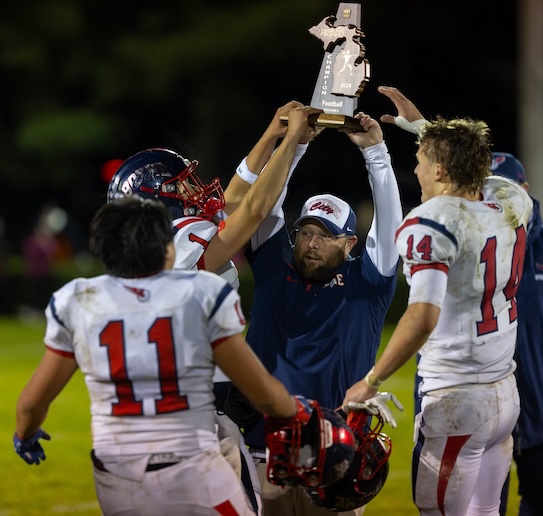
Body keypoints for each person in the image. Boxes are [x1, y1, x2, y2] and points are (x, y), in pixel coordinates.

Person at [13, 197, 314, 516]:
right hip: (192, 468)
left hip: (118, 477)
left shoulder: (78, 300)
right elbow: (264, 395)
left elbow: (32, 404)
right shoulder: (201, 293)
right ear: (166, 249)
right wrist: (302, 414)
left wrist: (26, 434)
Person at [106, 101, 323, 513]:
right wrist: (292, 141)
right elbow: (253, 210)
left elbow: (234, 198)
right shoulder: (180, 242)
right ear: (154, 202)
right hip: (191, 417)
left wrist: (271, 137)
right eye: (180, 186)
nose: (195, 189)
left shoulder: (146, 250)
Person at [343, 103, 534, 514]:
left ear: (441, 171)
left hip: (456, 398)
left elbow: (422, 317)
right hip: (505, 393)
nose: (416, 170)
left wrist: (372, 380)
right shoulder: (510, 205)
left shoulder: (433, 219)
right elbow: (487, 178)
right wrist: (433, 134)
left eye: (421, 161)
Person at [231, 110, 403, 516]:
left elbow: (391, 222)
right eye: (306, 232)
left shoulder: (369, 282)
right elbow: (262, 203)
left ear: (349, 244)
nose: (311, 243)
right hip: (262, 451)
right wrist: (297, 143)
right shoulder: (275, 265)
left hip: (334, 457)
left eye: (325, 236)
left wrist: (376, 153)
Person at [490, 152, 543, 516]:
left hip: (539, 414)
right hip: (488, 412)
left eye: (506, 192)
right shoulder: (475, 244)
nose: (498, 202)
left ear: (525, 190)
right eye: (489, 193)